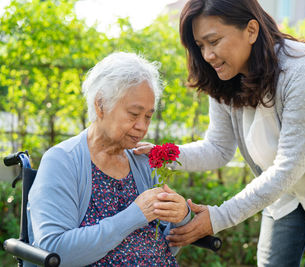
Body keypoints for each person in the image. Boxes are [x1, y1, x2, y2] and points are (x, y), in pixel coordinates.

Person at [135, 0, 305, 266]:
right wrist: (159, 155)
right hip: (284, 187)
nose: (207, 55)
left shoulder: (304, 71)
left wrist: (217, 217)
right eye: (200, 46)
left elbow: (288, 168)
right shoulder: (223, 76)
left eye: (214, 41)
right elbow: (218, 149)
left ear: (251, 30)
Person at [27, 52, 191, 266]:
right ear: (100, 105)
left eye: (148, 116)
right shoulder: (61, 161)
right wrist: (133, 215)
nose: (142, 126)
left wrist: (181, 218)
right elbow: (55, 251)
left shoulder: (141, 162)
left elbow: (160, 246)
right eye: (134, 114)